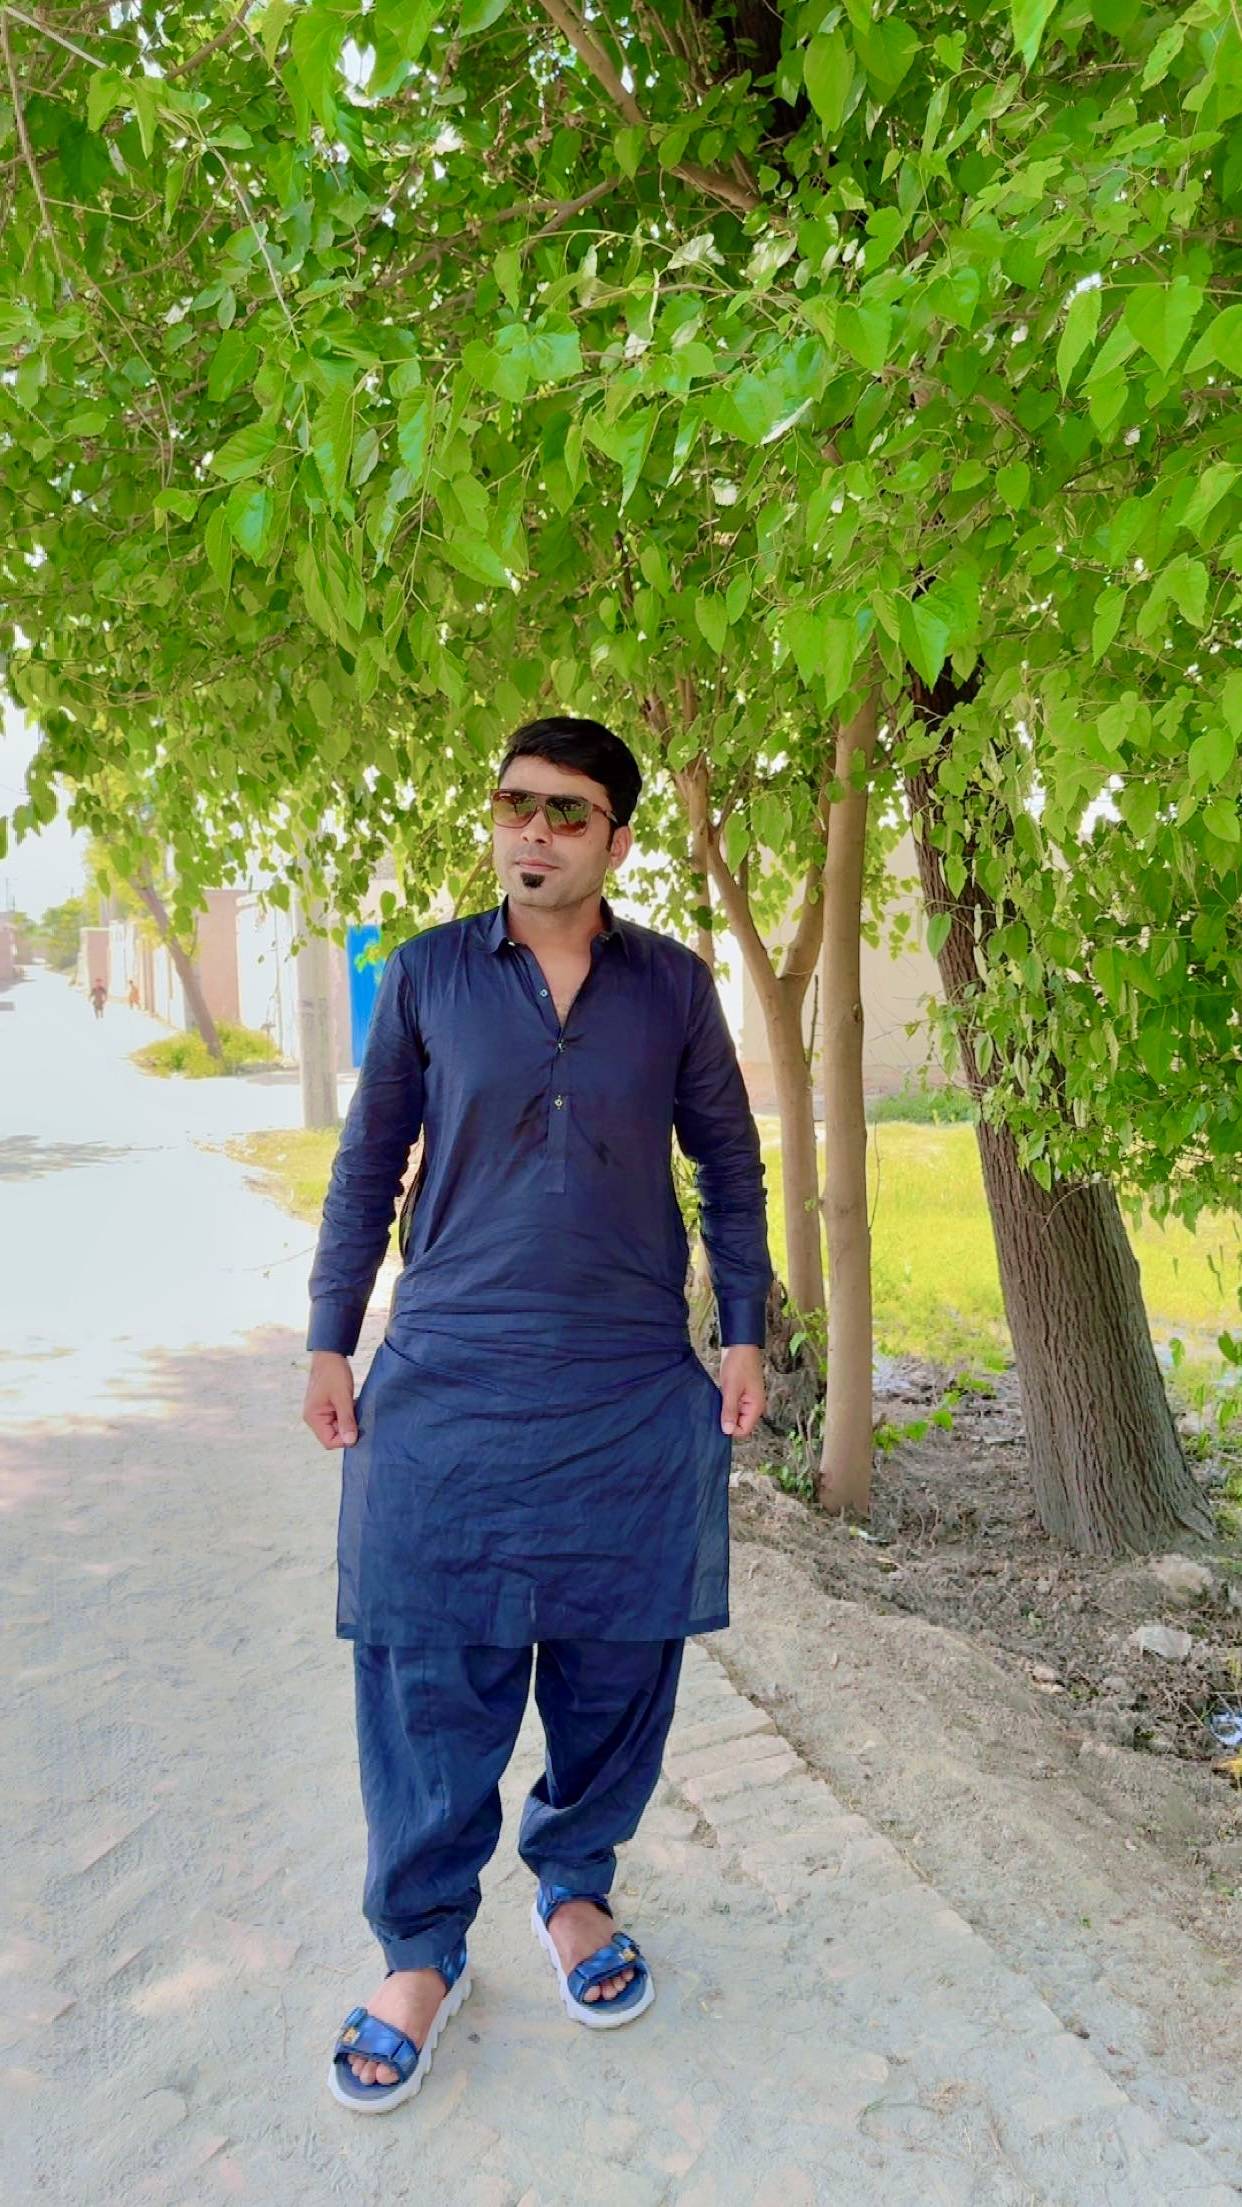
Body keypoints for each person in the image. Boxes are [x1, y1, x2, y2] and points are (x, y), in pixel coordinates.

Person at [303, 715, 771, 2115]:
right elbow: (368, 1164)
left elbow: (729, 1163)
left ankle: (572, 1886)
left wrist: (743, 1329)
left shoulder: (672, 986)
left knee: (620, 1653)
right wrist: (330, 1340)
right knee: (426, 1659)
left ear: (615, 838)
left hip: (624, 1380)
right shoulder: (430, 974)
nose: (534, 831)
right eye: (516, 804)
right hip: (451, 1370)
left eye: (567, 812)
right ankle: (419, 1951)